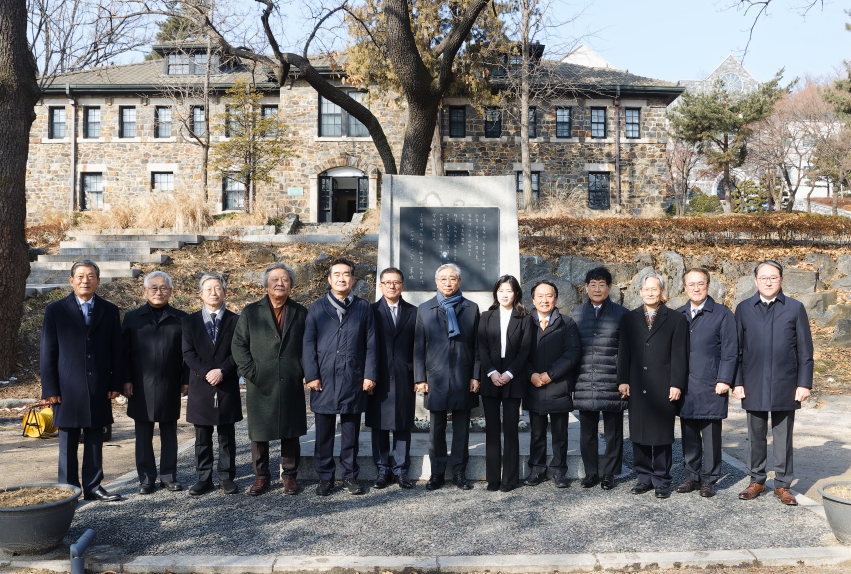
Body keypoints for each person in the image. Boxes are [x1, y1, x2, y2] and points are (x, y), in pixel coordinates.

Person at [40, 260, 123, 502]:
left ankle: (94, 486)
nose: (85, 280)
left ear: (98, 280)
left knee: (96, 437)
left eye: (90, 276)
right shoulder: (55, 310)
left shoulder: (109, 310)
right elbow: (47, 352)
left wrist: (115, 383)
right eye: (80, 276)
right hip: (66, 387)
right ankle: (68, 490)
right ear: (71, 280)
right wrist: (50, 388)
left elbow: (116, 350)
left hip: (98, 385)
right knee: (67, 441)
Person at [734, 260, 813, 506]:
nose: (768, 282)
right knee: (755, 435)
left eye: (774, 277)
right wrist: (737, 382)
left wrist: (804, 383)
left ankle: (782, 484)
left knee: (783, 436)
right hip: (753, 381)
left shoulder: (795, 308)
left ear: (781, 280)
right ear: (755, 281)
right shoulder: (744, 308)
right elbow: (736, 349)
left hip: (785, 382)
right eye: (763, 277)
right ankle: (756, 480)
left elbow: (805, 350)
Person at [232, 263, 308, 496]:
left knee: (290, 430)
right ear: (266, 284)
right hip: (260, 382)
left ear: (291, 285)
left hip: (290, 380)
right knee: (259, 432)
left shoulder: (300, 312)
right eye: (275, 279)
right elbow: (239, 345)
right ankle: (261, 476)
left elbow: (308, 345)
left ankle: (289, 477)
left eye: (285, 279)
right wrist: (251, 372)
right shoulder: (251, 312)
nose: (279, 283)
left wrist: (302, 371)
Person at [304, 257, 377, 496]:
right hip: (323, 379)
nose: (342, 278)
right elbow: (308, 344)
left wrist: (369, 375)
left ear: (353, 279)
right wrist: (311, 374)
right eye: (337, 274)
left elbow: (371, 345)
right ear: (329, 279)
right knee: (323, 433)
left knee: (350, 433)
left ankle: (350, 476)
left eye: (346, 274)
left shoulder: (364, 307)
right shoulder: (317, 307)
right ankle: (325, 478)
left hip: (353, 378)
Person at [617, 271, 688, 499]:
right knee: (638, 433)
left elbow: (680, 355)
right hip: (637, 384)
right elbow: (623, 352)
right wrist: (623, 380)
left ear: (662, 292)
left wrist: (676, 383)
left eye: (654, 289)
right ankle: (643, 477)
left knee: (662, 435)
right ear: (639, 292)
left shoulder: (675, 319)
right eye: (646, 289)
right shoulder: (629, 318)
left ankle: (661, 479)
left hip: (663, 385)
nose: (650, 292)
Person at [414, 263, 481, 491]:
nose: (448, 283)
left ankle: (460, 473)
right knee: (437, 430)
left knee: (462, 428)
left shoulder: (471, 308)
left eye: (452, 279)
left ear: (459, 282)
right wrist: (419, 378)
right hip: (436, 377)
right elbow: (419, 348)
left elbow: (477, 346)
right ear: (436, 282)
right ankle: (437, 474)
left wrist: (476, 375)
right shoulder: (424, 309)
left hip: (464, 376)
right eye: (443, 279)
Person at [122, 271, 188, 494]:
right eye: (154, 288)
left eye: (163, 288)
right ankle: (146, 478)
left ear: (171, 291)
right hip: (140, 384)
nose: (159, 292)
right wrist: (126, 379)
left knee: (169, 431)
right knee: (143, 433)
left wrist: (186, 380)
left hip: (170, 383)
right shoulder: (132, 318)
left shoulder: (181, 319)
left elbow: (188, 353)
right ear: (144, 291)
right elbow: (124, 353)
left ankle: (169, 476)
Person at [675, 268, 738, 498]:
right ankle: (692, 476)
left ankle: (709, 479)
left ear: (708, 285)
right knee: (689, 432)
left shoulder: (721, 313)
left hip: (712, 383)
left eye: (700, 283)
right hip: (686, 384)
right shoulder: (678, 314)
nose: (696, 288)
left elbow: (731, 351)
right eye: (691, 284)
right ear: (685, 287)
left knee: (711, 434)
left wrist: (724, 379)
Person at [182, 273, 243, 496]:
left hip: (226, 384)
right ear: (201, 294)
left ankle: (227, 477)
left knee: (227, 435)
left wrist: (223, 370)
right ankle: (203, 478)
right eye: (208, 289)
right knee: (202, 437)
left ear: (225, 292)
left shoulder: (236, 320)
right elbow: (188, 352)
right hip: (201, 384)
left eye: (218, 288)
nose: (214, 293)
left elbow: (240, 350)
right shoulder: (189, 321)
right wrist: (208, 372)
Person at [570, 267, 629, 491]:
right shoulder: (576, 314)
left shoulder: (622, 314)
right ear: (585, 287)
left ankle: (610, 474)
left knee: (614, 432)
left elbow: (626, 351)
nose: (597, 289)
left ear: (610, 287)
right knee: (587, 432)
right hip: (585, 380)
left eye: (602, 284)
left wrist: (625, 379)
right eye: (592, 284)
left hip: (613, 380)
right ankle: (591, 473)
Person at [523, 279, 581, 488]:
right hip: (533, 385)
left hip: (558, 384)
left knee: (560, 432)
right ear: (533, 299)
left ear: (556, 298)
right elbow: (519, 352)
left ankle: (558, 470)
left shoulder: (567, 322)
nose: (545, 300)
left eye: (549, 296)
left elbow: (572, 353)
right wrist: (531, 374)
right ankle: (536, 469)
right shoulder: (525, 322)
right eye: (540, 296)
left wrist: (550, 374)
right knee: (536, 432)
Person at [477, 275, 531, 492]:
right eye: (501, 291)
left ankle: (510, 479)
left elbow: (525, 350)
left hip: (513, 380)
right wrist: (491, 372)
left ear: (516, 293)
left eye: (509, 290)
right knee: (491, 430)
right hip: (490, 380)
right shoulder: (486, 316)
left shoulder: (524, 318)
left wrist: (508, 373)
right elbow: (481, 347)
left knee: (510, 430)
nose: (505, 294)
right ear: (496, 293)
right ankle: (493, 479)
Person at [367, 267, 417, 490]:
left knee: (403, 424)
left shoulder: (413, 312)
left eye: (396, 282)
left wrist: (419, 376)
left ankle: (401, 470)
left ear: (402, 286)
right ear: (380, 286)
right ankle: (382, 470)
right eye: (387, 282)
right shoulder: (370, 311)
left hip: (405, 375)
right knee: (379, 425)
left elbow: (419, 347)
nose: (392, 286)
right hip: (378, 376)